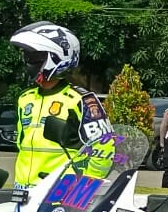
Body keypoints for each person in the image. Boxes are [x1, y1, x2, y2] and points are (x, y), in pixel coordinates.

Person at [7, 22, 115, 189]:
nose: (28, 62)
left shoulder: (80, 100)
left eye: (35, 58)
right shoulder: (25, 99)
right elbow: (23, 145)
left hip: (61, 193)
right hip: (23, 192)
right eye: (27, 57)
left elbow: (104, 151)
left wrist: (83, 189)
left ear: (56, 57)